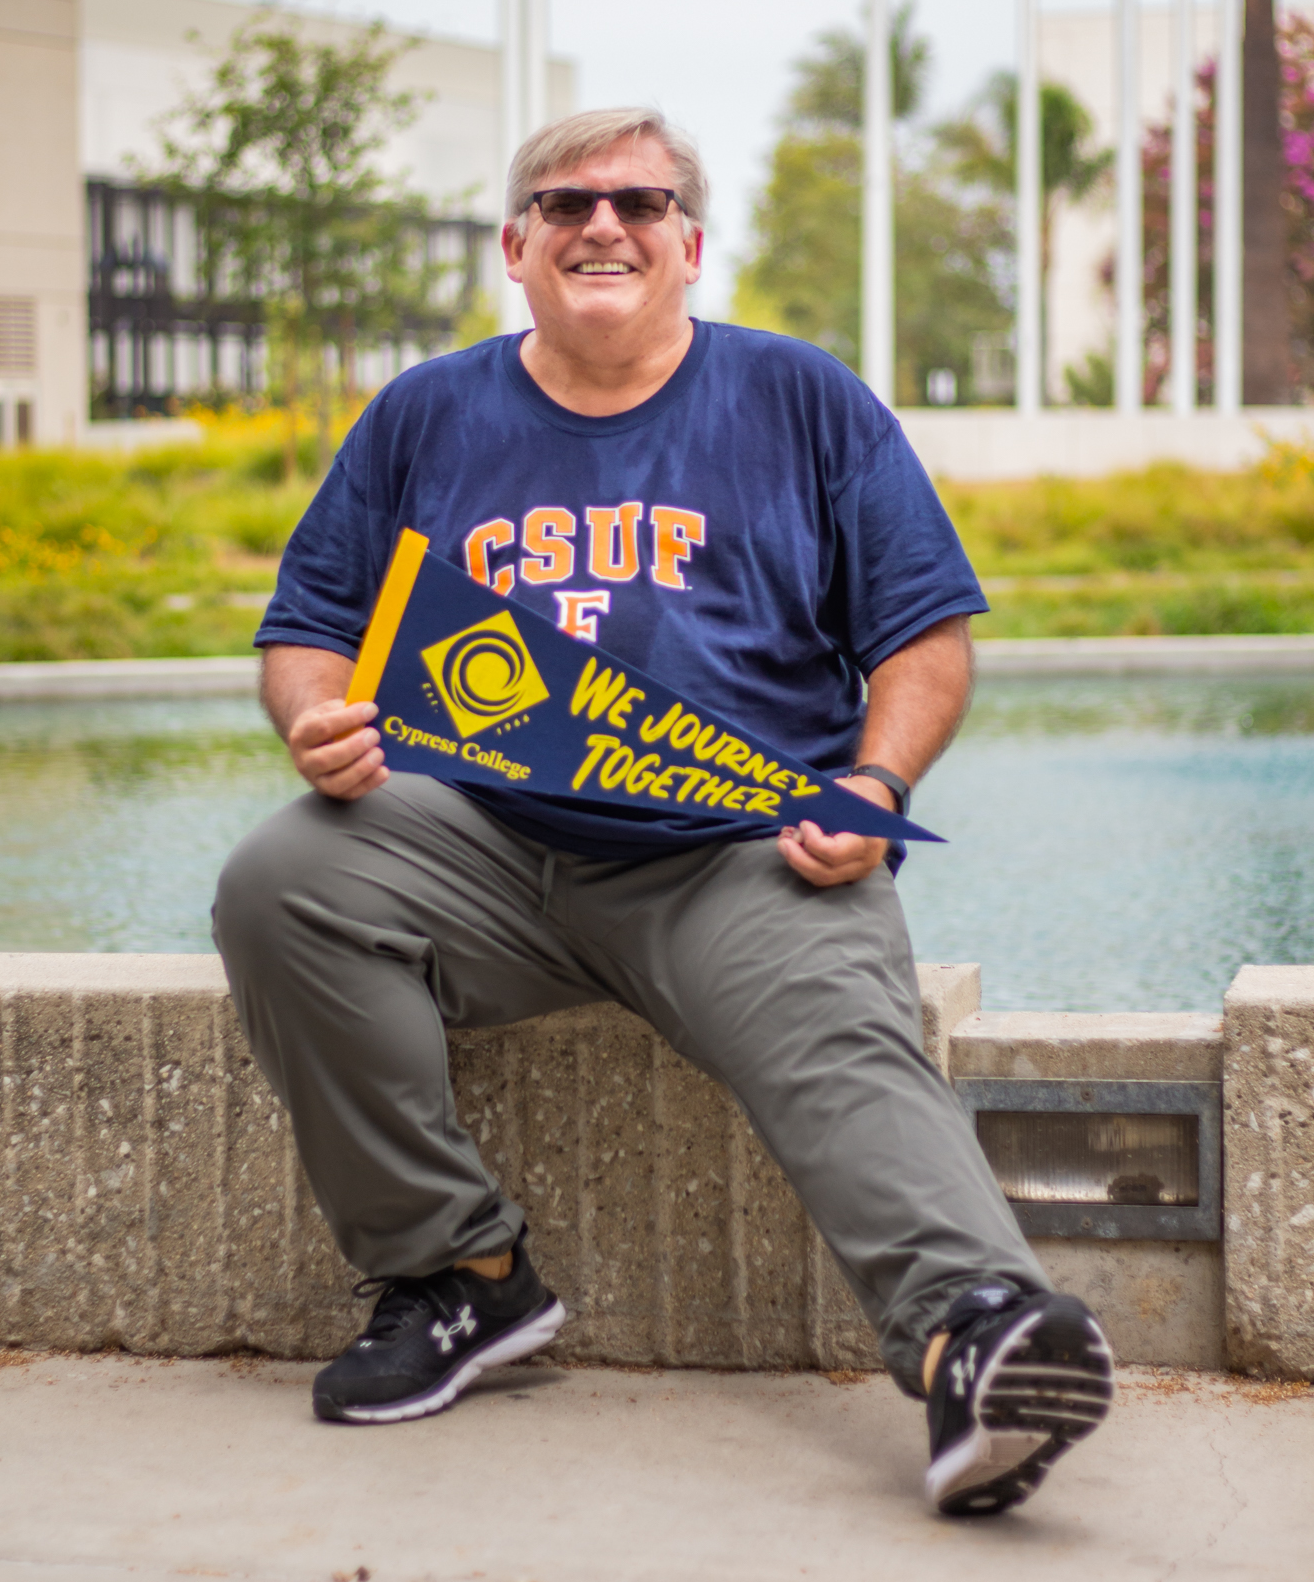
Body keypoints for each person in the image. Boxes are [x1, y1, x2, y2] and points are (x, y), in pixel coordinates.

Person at [214, 107, 1113, 1516]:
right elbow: (309, 625)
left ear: (691, 245)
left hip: (734, 856)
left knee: (838, 1036)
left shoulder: (799, 398)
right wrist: (313, 722)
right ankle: (460, 1276)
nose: (601, 226)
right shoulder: (423, 415)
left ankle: (975, 1338)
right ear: (514, 249)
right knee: (283, 880)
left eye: (639, 203)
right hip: (484, 844)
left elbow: (923, 639)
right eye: (563, 204)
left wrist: (873, 786)